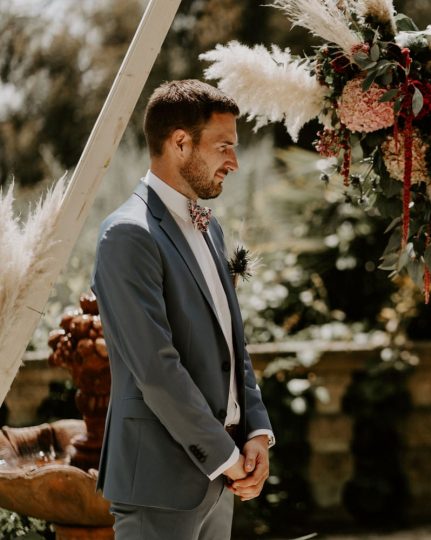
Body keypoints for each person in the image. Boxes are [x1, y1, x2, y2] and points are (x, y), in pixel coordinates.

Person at [92, 79, 275, 539]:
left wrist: (256, 432)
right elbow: (156, 369)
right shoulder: (127, 235)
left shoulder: (209, 228)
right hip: (159, 482)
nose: (233, 162)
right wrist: (226, 457)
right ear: (179, 143)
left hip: (220, 480)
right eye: (224, 147)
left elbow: (233, 346)